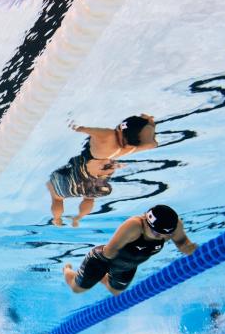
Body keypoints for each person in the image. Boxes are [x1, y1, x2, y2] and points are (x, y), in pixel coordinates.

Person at [47, 114, 158, 227]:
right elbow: (152, 144)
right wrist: (149, 126)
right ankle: (78, 218)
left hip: (82, 172)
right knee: (89, 199)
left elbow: (80, 128)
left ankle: (57, 219)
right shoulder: (133, 148)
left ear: (122, 126)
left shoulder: (108, 135)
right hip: (98, 181)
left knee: (57, 198)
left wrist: (149, 121)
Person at [63, 204, 197, 295]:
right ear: (146, 222)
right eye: (157, 234)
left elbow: (184, 245)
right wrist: (96, 273)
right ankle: (66, 269)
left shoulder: (174, 225)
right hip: (102, 261)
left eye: (167, 234)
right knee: (77, 289)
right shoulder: (134, 226)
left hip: (126, 266)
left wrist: (200, 251)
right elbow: (110, 252)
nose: (162, 237)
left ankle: (104, 278)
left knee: (116, 291)